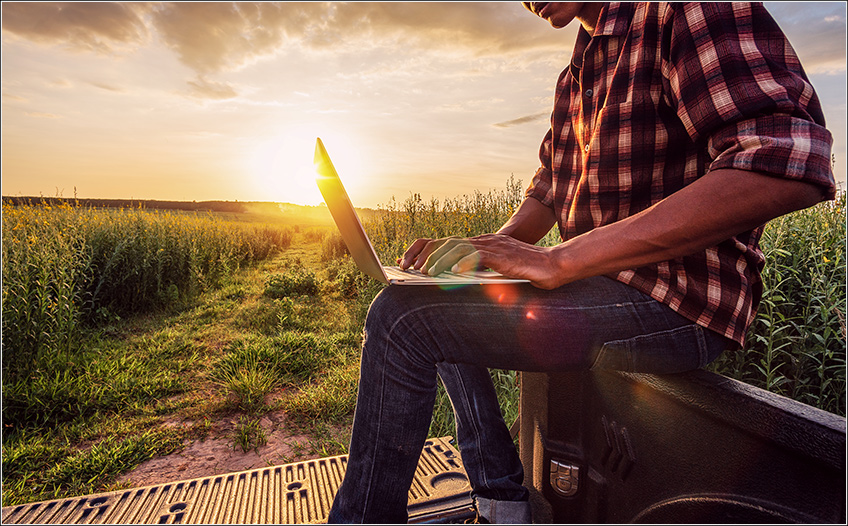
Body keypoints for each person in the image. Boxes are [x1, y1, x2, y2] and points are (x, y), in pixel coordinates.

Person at [327, 2, 837, 523]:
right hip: (598, 287)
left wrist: (562, 259)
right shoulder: (575, 77)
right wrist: (478, 254)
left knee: (401, 321)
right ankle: (503, 500)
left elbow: (785, 162)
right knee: (437, 294)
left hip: (678, 298)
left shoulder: (682, 12)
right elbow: (548, 190)